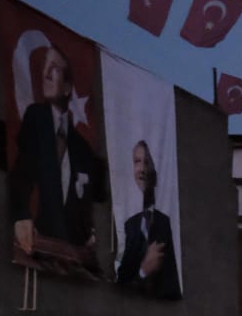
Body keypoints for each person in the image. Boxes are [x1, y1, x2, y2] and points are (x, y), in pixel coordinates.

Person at [10, 42, 103, 257]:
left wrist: (90, 233)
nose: (46, 73)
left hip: (73, 248)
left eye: (55, 68)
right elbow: (22, 171)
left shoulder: (81, 146)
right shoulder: (36, 117)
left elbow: (94, 194)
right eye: (45, 66)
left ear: (69, 87)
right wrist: (21, 214)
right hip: (42, 239)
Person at [115, 140, 181, 298]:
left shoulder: (166, 221)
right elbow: (122, 280)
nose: (142, 169)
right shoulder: (129, 224)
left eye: (147, 161)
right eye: (137, 162)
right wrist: (143, 271)